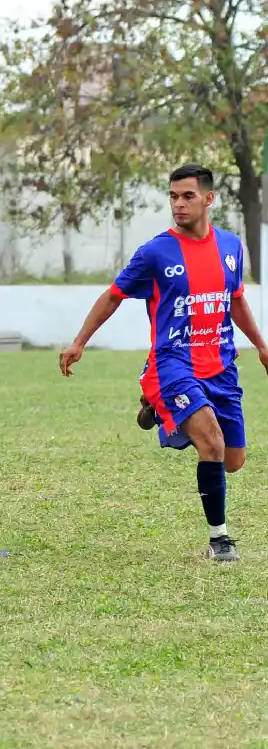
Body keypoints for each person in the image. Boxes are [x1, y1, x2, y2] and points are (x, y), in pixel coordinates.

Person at [59, 163, 268, 563]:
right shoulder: (156, 252)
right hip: (173, 362)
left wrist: (260, 345)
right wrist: (79, 342)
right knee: (212, 444)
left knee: (234, 461)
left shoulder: (230, 246)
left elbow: (236, 299)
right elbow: (113, 295)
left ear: (209, 198)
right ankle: (220, 540)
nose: (178, 204)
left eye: (187, 195)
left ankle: (161, 409)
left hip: (221, 364)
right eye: (173, 196)